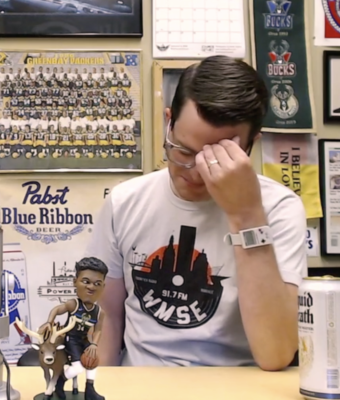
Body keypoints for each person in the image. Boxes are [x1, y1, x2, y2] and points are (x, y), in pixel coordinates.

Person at [86, 55, 307, 371]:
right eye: (184, 151)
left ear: (250, 146)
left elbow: (276, 354)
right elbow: (105, 319)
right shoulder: (125, 201)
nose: (195, 171)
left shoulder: (280, 208)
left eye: (217, 159)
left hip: (239, 383)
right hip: (144, 381)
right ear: (169, 122)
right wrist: (100, 387)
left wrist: (246, 216)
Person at [39, 257, 107, 400]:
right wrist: (49, 322)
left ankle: (90, 390)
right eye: (86, 282)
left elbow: (98, 330)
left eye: (97, 283)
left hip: (84, 339)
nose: (91, 287)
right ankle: (60, 382)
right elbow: (57, 309)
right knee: (78, 368)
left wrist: (94, 344)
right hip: (71, 339)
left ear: (103, 287)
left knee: (92, 362)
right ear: (75, 282)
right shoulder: (73, 304)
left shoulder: (99, 312)